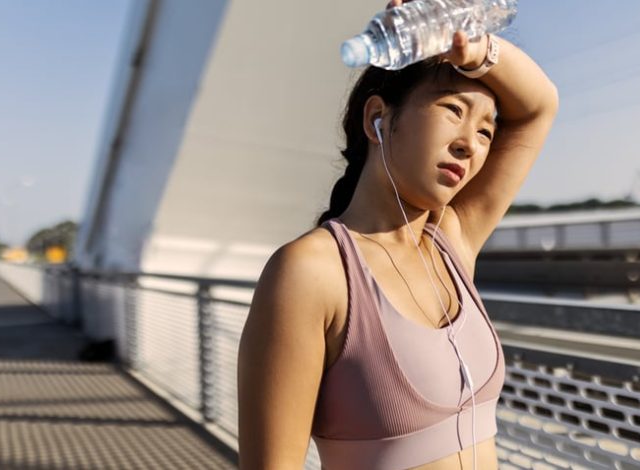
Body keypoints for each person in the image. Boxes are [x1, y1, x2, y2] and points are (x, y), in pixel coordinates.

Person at [238, 0, 558, 468]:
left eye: (487, 132)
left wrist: (473, 48)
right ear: (378, 120)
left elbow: (539, 105)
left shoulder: (451, 242)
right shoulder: (313, 273)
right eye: (453, 109)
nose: (470, 143)